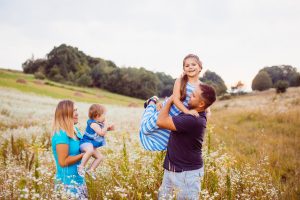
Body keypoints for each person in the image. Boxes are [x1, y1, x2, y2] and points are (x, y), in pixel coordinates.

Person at [157, 83, 216, 199]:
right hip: (173, 169)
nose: (189, 95)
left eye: (193, 95)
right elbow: (208, 110)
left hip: (186, 174)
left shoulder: (193, 119)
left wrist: (170, 100)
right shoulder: (192, 111)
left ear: (201, 104)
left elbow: (160, 122)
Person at [139, 54, 203, 151]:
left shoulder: (202, 87)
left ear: (200, 67)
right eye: (187, 65)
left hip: (177, 118)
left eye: (193, 64)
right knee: (145, 129)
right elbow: (175, 99)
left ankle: (155, 154)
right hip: (167, 110)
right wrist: (187, 111)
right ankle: (152, 101)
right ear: (184, 69)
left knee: (164, 139)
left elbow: (204, 104)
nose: (190, 67)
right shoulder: (180, 81)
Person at [51, 100, 88, 199]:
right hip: (66, 185)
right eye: (73, 111)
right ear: (65, 114)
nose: (77, 113)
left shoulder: (76, 131)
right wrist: (84, 154)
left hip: (79, 181)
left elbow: (84, 146)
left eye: (76, 110)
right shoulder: (61, 135)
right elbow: (63, 162)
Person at [77, 104, 114, 180]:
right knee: (90, 150)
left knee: (100, 157)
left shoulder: (98, 124)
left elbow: (102, 130)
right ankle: (81, 167)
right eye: (104, 115)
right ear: (97, 115)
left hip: (90, 145)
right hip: (85, 143)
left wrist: (109, 128)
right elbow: (101, 133)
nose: (105, 117)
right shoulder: (93, 124)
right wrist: (106, 126)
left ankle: (90, 170)